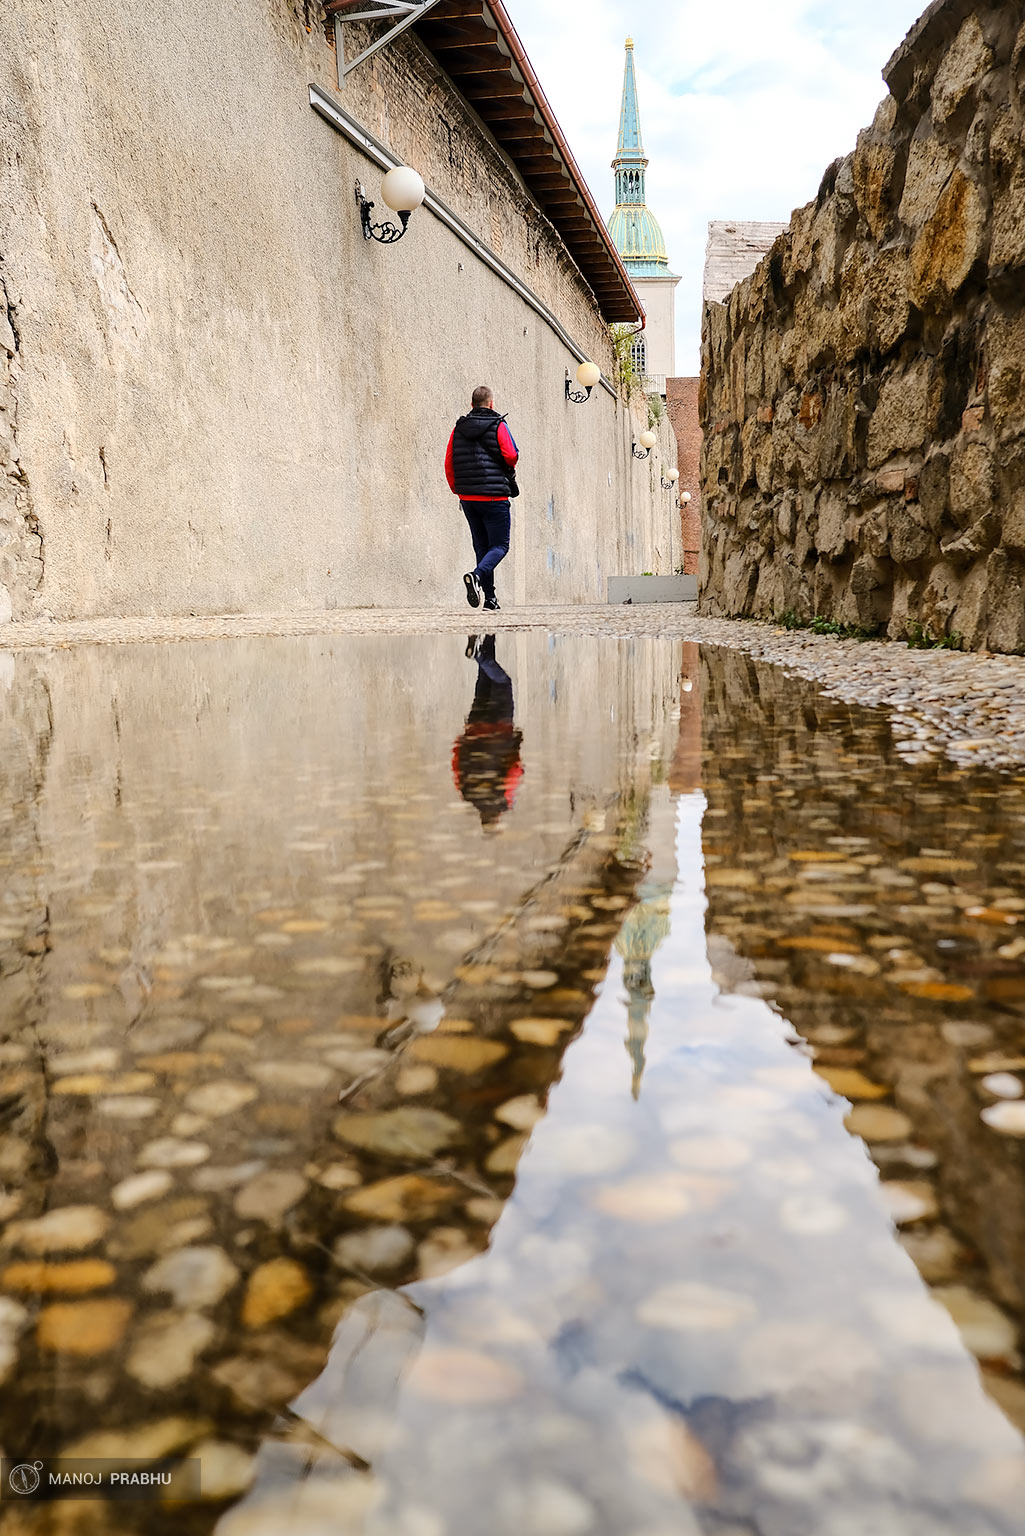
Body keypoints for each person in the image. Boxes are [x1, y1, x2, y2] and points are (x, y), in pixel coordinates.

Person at [445, 385, 519, 611]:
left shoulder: (458, 429)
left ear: (471, 404)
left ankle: (490, 599)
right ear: (491, 403)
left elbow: (449, 462)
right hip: (494, 498)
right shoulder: (498, 425)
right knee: (500, 546)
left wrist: (457, 490)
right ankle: (476, 576)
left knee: (482, 547)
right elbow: (511, 456)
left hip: (468, 498)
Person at [452, 634, 523, 828]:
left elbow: (514, 772)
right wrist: (462, 739)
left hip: (499, 730)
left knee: (503, 682)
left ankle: (479, 654)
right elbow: (457, 766)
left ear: (495, 818)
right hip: (475, 728)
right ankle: (489, 636)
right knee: (484, 676)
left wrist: (516, 746)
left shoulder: (503, 800)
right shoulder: (467, 794)